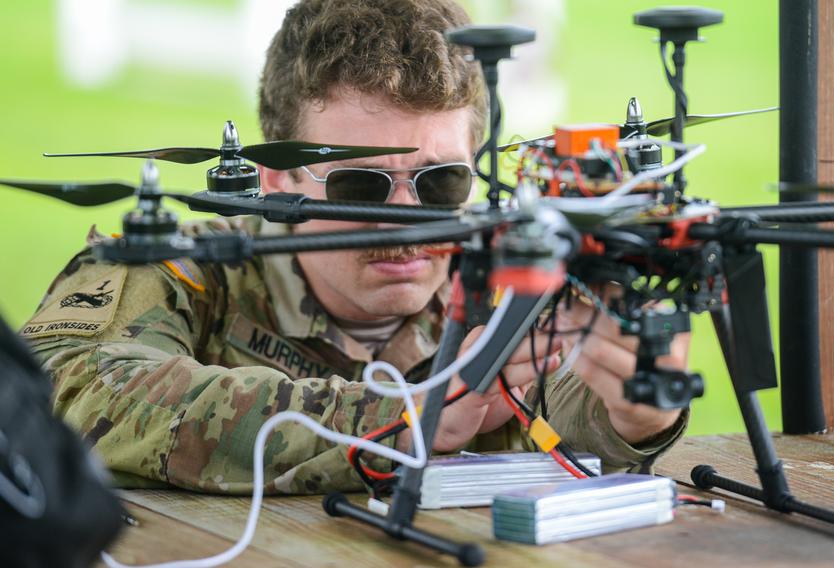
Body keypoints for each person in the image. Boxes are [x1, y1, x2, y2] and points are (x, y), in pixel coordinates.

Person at [21, 0, 689, 495]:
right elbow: (73, 390)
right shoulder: (180, 268)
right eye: (361, 185)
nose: (405, 220)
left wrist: (633, 412)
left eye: (442, 182)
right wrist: (392, 420)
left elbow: (572, 408)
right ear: (276, 178)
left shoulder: (508, 271)